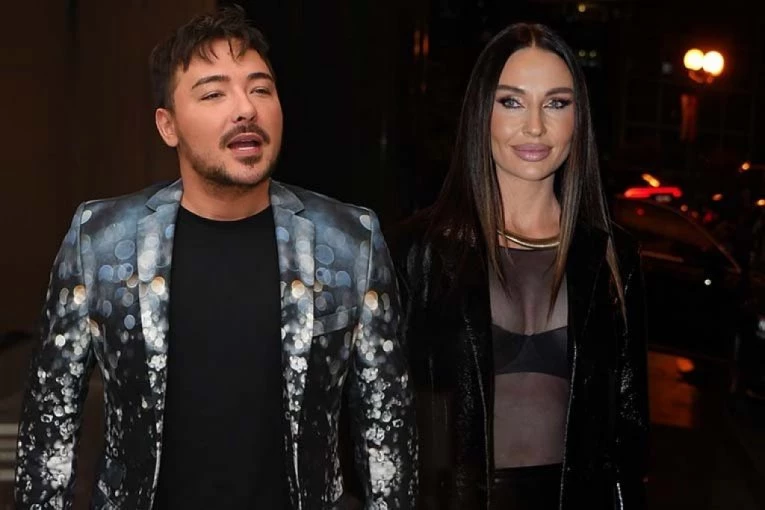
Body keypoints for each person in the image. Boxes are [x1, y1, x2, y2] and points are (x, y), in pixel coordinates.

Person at [14, 7, 416, 510]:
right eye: (213, 94)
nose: (245, 109)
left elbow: (387, 433)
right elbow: (49, 428)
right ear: (168, 125)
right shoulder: (99, 239)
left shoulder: (349, 241)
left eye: (261, 89)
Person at [392, 22, 648, 509]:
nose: (535, 126)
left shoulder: (614, 258)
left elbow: (628, 443)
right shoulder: (418, 251)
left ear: (578, 119)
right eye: (511, 101)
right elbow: (382, 421)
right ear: (481, 113)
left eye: (556, 103)